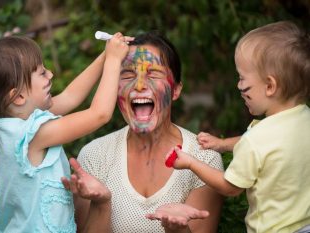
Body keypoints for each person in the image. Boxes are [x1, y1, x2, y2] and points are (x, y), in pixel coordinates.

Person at [0, 34, 132, 233]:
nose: (50, 74)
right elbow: (99, 115)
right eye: (41, 73)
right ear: (19, 96)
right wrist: (115, 61)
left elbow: (70, 97)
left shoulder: (13, 121)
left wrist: (106, 55)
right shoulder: (34, 135)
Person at [72, 31, 224, 233]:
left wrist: (178, 230)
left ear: (176, 90)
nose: (140, 85)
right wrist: (101, 204)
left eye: (153, 74)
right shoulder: (94, 156)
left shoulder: (204, 159)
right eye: (127, 75)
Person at [167, 21, 310, 233]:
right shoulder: (303, 119)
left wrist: (191, 163)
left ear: (270, 86)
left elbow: (230, 187)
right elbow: (264, 147)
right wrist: (223, 144)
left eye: (243, 79)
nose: (239, 86)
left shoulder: (257, 139)